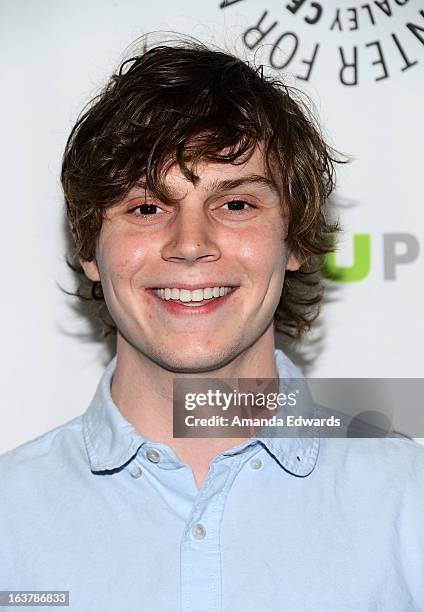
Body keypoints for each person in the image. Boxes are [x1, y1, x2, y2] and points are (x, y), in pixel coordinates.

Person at [0, 38, 423, 612]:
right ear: (90, 249)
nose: (191, 244)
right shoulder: (9, 516)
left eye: (236, 205)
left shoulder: (410, 500)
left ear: (294, 239)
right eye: (147, 208)